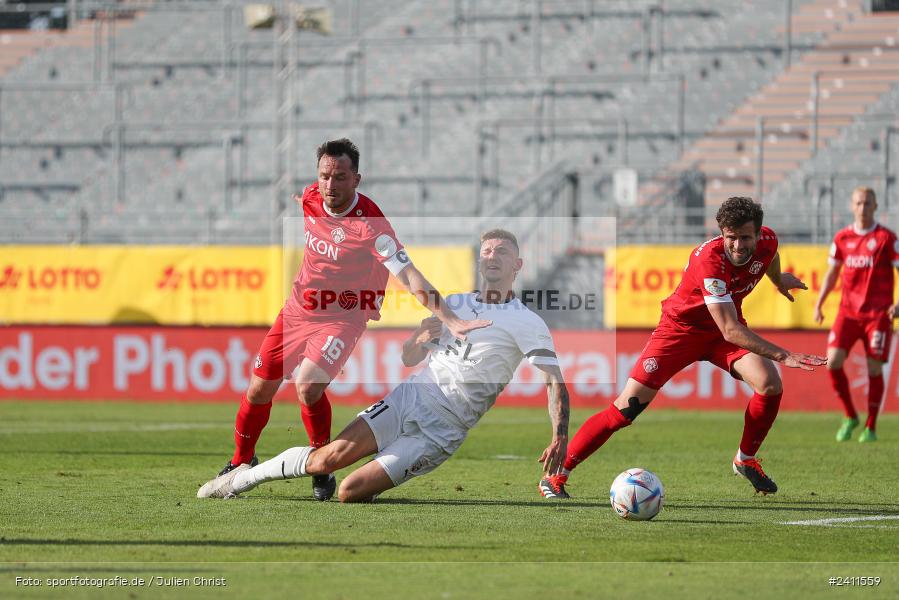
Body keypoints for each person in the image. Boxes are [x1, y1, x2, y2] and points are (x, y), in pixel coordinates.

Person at [197, 229, 570, 503]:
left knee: (349, 492)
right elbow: (408, 358)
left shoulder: (528, 322)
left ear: (517, 264)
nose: (492, 256)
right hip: (408, 398)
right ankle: (239, 481)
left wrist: (559, 434)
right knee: (328, 458)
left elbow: (554, 382)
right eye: (487, 250)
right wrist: (419, 341)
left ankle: (377, 479)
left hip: (442, 429)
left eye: (502, 251)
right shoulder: (453, 303)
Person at [215, 138, 490, 501]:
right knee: (258, 390)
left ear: (356, 179)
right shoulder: (312, 197)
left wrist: (449, 318)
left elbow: (409, 276)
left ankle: (321, 465)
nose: (330, 185)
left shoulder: (373, 228)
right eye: (325, 176)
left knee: (308, 386)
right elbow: (307, 198)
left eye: (340, 177)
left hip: (343, 317)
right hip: (298, 310)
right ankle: (240, 461)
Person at [539, 196, 827, 499]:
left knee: (769, 384)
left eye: (746, 237)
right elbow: (730, 329)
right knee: (626, 409)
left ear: (758, 233)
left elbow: (770, 255)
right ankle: (557, 475)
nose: (739, 245)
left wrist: (778, 279)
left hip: (721, 333)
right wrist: (784, 355)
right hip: (680, 332)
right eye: (731, 238)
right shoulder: (709, 260)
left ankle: (745, 459)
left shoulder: (767, 240)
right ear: (721, 233)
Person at [814, 187, 898, 443]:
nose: (863, 207)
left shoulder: (886, 238)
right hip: (848, 313)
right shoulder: (842, 238)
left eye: (868, 203)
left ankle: (871, 426)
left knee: (874, 367)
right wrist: (819, 303)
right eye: (859, 203)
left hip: (878, 315)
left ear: (875, 206)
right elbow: (832, 273)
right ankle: (850, 415)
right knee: (833, 360)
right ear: (852, 206)